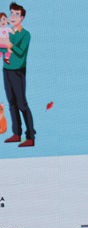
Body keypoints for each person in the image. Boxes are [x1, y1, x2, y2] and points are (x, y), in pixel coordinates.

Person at [3, 3, 34, 147]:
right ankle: (17, 133)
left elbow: (21, 52)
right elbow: (3, 49)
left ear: (22, 18)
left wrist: (9, 45)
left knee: (22, 103)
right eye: (11, 13)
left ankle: (30, 136)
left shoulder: (25, 34)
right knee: (11, 102)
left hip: (18, 71)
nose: (13, 16)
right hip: (6, 69)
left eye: (16, 14)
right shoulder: (7, 32)